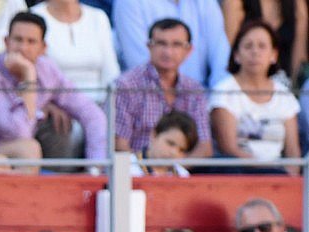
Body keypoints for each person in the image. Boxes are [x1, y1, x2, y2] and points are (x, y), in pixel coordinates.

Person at [0, 12, 105, 164]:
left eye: (31, 42)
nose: (23, 48)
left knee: (60, 128)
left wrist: (96, 167)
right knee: (29, 149)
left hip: (23, 153)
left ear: (43, 48)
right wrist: (29, 77)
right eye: (18, 40)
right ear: (6, 42)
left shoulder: (47, 69)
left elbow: (91, 112)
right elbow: (19, 133)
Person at [209, 19, 300, 173]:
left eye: (262, 46)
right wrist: (271, 172)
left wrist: (289, 178)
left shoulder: (284, 95)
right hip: (239, 174)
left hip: (280, 176)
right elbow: (229, 149)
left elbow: (293, 152)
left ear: (274, 55)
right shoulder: (224, 91)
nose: (255, 52)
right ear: (236, 55)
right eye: (248, 46)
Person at [114, 18, 212, 158]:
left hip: (183, 168)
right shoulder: (126, 86)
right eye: (161, 43)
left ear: (189, 50)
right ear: (149, 46)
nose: (168, 52)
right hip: (136, 168)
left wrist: (175, 168)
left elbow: (204, 146)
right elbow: (119, 145)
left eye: (176, 44)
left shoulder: (194, 89)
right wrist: (148, 169)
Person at [113, 0, 230, 89]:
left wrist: (218, 102)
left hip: (200, 98)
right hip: (145, 97)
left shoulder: (206, 3)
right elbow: (140, 64)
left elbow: (221, 60)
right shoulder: (129, 3)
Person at [29, 0, 119, 104]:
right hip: (53, 107)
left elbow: (111, 73)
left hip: (101, 105)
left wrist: (104, 108)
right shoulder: (32, 16)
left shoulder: (98, 17)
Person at [221, 0, 308, 80]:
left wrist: (293, 88)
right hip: (245, 82)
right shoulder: (235, 3)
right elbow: (230, 53)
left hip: (284, 83)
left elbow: (299, 61)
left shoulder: (297, 4)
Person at [130, 109, 198, 176]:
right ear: (154, 135)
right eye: (170, 143)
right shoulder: (127, 167)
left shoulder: (183, 175)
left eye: (182, 150)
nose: (174, 152)